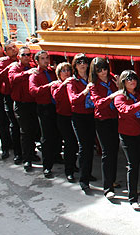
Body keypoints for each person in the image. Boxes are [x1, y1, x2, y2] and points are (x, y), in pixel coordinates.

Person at [89, 57, 122, 200]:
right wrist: (113, 95)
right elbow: (99, 103)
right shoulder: (93, 85)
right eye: (99, 70)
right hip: (103, 120)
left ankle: (112, 180)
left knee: (114, 150)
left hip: (115, 118)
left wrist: (120, 86)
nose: (103, 72)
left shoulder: (112, 79)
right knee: (107, 152)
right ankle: (107, 187)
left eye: (105, 69)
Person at [114, 70, 140, 211]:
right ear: (123, 82)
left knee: (137, 162)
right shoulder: (120, 97)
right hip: (128, 134)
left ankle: (133, 188)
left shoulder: (139, 93)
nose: (132, 81)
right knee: (132, 164)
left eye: (134, 78)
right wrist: (139, 104)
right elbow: (125, 110)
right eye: (128, 79)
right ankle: (133, 197)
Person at [67, 53, 96, 192]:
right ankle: (83, 180)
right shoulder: (72, 81)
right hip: (79, 117)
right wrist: (86, 91)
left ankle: (88, 173)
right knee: (84, 147)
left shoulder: (92, 78)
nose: (82, 64)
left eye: (84, 62)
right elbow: (73, 100)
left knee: (90, 146)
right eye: (79, 62)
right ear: (75, 66)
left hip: (92, 115)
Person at [29, 50, 59, 178]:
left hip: (55, 106)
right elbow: (33, 91)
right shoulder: (35, 75)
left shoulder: (52, 72)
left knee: (57, 134)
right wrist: (48, 86)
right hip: (44, 107)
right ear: (37, 61)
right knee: (46, 136)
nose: (46, 61)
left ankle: (57, 156)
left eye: (47, 58)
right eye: (42, 58)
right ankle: (47, 166)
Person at [8, 46, 38, 172]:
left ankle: (31, 153)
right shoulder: (15, 67)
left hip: (32, 103)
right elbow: (12, 78)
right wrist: (26, 73)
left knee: (33, 129)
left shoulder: (32, 66)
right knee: (24, 131)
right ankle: (25, 158)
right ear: (19, 56)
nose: (26, 57)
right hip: (21, 104)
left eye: (28, 54)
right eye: (24, 55)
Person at [0, 40, 23, 164]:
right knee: (13, 124)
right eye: (10, 48)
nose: (13, 49)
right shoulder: (3, 62)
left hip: (22, 96)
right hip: (8, 96)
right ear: (5, 52)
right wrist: (9, 68)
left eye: (14, 47)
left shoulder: (22, 59)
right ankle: (13, 151)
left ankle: (28, 152)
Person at [51, 62, 78, 182]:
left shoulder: (74, 83)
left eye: (68, 70)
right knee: (69, 143)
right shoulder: (55, 85)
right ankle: (69, 170)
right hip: (63, 117)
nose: (67, 73)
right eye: (64, 71)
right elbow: (56, 97)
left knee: (75, 144)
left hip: (74, 116)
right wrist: (64, 85)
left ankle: (73, 165)